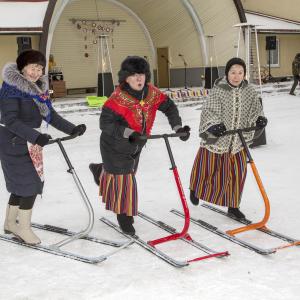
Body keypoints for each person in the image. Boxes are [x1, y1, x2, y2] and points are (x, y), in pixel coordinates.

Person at [89, 56, 190, 235]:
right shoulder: (117, 99)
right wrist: (130, 133)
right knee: (124, 182)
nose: (139, 79)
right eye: (134, 75)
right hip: (114, 146)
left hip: (136, 145)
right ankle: (124, 217)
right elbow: (105, 125)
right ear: (125, 78)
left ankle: (101, 171)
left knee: (126, 177)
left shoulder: (152, 93)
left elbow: (169, 107)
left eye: (142, 74)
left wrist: (177, 127)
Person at [0, 50, 86, 245]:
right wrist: (36, 136)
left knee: (21, 185)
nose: (36, 72)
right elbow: (10, 120)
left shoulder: (39, 89)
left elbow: (50, 115)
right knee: (29, 185)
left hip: (31, 141)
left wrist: (72, 128)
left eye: (40, 68)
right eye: (32, 67)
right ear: (22, 68)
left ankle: (9, 222)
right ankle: (22, 228)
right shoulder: (10, 88)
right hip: (13, 141)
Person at [189, 57, 267, 220]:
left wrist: (259, 119)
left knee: (237, 174)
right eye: (233, 72)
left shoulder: (250, 91)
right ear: (227, 73)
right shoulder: (219, 89)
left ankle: (233, 206)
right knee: (207, 169)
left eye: (240, 73)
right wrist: (213, 125)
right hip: (218, 139)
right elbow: (209, 110)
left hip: (238, 141)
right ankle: (195, 189)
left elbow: (255, 109)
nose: (236, 76)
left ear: (244, 74)